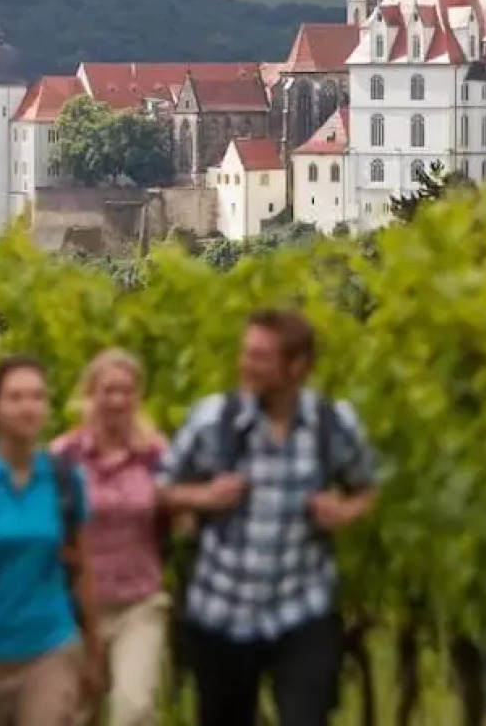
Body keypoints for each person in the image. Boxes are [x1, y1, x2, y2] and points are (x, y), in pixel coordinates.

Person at [157, 308, 380, 726]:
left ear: (297, 367)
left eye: (260, 357)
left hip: (301, 608)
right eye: (245, 354)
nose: (246, 365)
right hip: (221, 610)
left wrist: (343, 512)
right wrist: (204, 496)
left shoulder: (331, 426)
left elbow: (367, 488)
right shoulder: (213, 421)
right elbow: (159, 489)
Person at [0, 353, 106, 726]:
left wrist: (94, 650)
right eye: (16, 397)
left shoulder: (64, 480)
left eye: (38, 396)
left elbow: (81, 568)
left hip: (51, 645)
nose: (29, 407)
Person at [50, 349, 175, 726]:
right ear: (91, 394)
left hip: (138, 603)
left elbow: (179, 518)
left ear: (138, 397)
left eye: (127, 391)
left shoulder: (156, 454)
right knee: (70, 715)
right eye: (108, 390)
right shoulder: (63, 455)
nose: (118, 400)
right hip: (71, 609)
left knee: (133, 709)